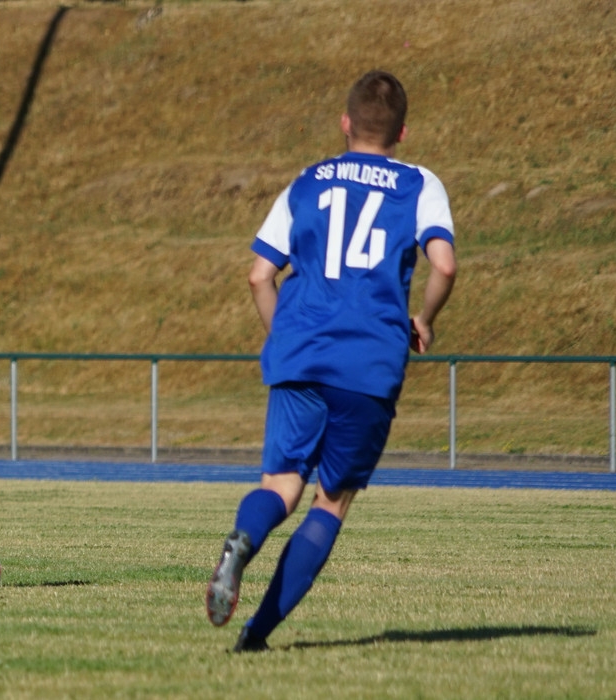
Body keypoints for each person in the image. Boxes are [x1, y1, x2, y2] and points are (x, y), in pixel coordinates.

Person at [205, 70, 457, 651]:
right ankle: (254, 636)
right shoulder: (419, 184)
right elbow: (443, 264)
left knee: (281, 485)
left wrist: (286, 340)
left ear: (345, 122)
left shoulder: (307, 181)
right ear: (402, 132)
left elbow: (259, 275)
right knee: (332, 501)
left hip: (301, 353)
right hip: (369, 361)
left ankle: (244, 538)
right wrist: (424, 319)